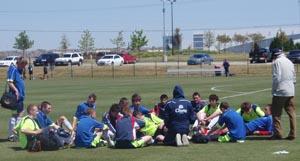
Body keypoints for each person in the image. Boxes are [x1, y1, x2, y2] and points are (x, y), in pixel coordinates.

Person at [271, 49, 296, 140]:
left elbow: (277, 77)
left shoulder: (277, 62)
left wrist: (274, 90)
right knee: (291, 113)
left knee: (276, 114)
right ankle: (292, 133)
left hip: (280, 91)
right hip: (290, 90)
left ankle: (278, 134)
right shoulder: (289, 61)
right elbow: (294, 77)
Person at [7, 56, 28, 141]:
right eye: (23, 64)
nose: (24, 66)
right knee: (16, 114)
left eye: (25, 64)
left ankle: (16, 134)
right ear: (19, 63)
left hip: (20, 97)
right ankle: (11, 135)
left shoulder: (20, 71)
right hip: (15, 97)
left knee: (19, 113)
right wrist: (16, 90)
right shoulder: (13, 69)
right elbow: (9, 82)